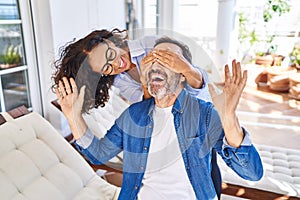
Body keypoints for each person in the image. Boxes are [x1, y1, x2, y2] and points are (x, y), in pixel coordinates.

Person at [54, 38, 263, 199]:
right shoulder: (133, 115)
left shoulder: (204, 114)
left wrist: (229, 118)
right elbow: (98, 155)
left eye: (166, 59)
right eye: (152, 59)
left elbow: (252, 173)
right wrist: (72, 116)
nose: (156, 63)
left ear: (182, 74)